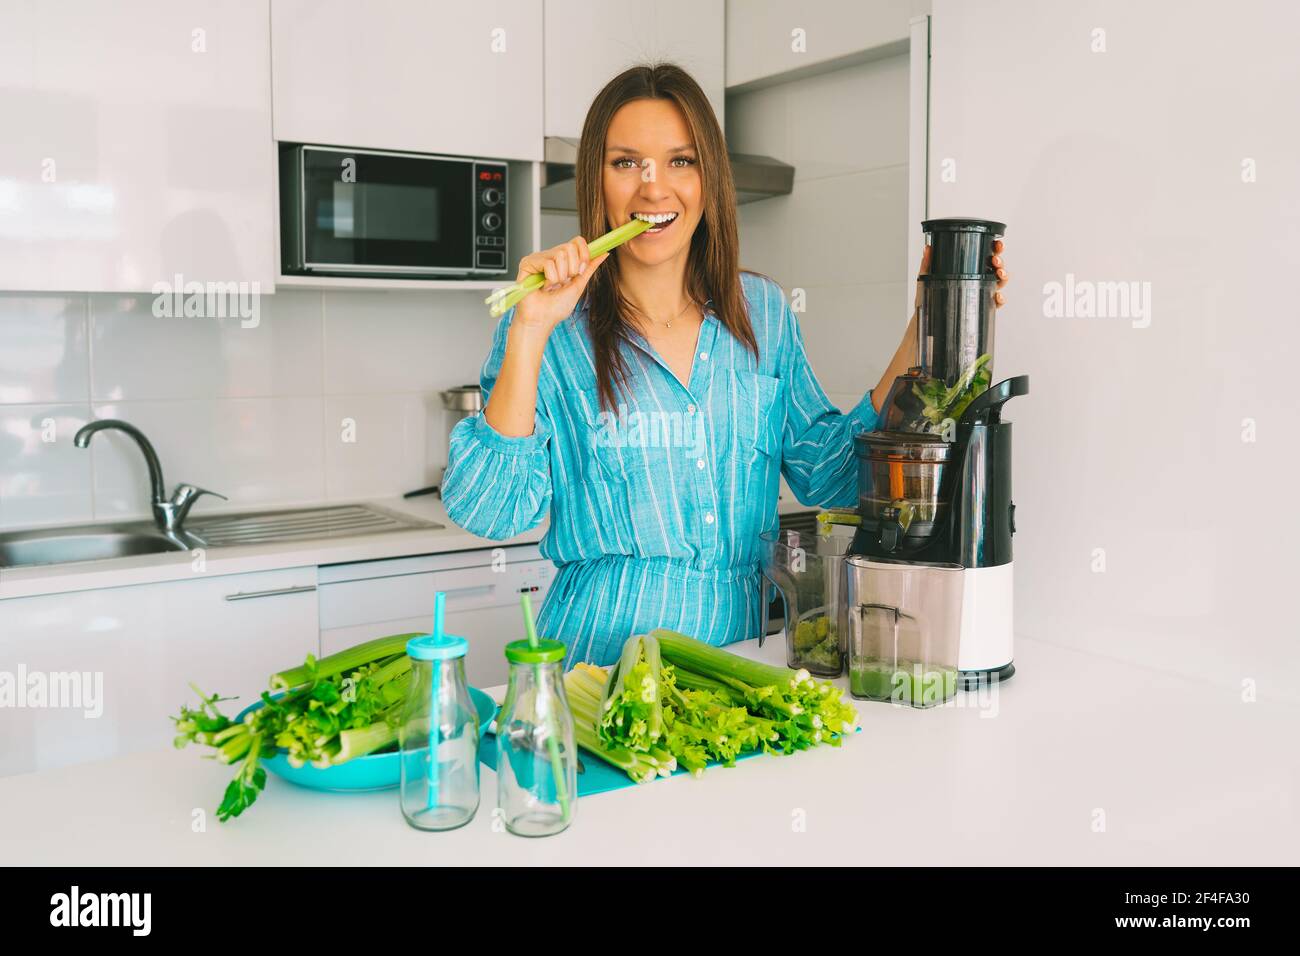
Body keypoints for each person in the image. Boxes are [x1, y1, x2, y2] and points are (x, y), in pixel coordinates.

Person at [442, 63, 1008, 668]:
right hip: (597, 665)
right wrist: (529, 328)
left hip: (741, 662)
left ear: (709, 180)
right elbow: (490, 510)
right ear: (596, 182)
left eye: (680, 161)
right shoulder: (553, 326)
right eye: (626, 162)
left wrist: (925, 317)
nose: (653, 188)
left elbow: (836, 476)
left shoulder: (761, 312)